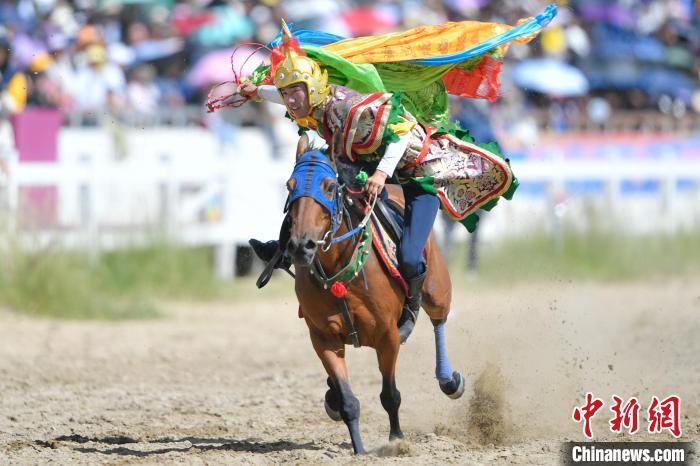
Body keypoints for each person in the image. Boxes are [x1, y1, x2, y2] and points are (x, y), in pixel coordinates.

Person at [243, 23, 520, 341]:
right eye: (287, 93)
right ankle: (284, 248)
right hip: (368, 168)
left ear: (312, 87)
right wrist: (255, 92)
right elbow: (289, 96)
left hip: (414, 177)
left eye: (296, 92)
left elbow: (401, 132)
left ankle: (411, 307)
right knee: (310, 189)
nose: (291, 100)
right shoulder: (315, 101)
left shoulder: (351, 107)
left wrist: (380, 174)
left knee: (411, 256)